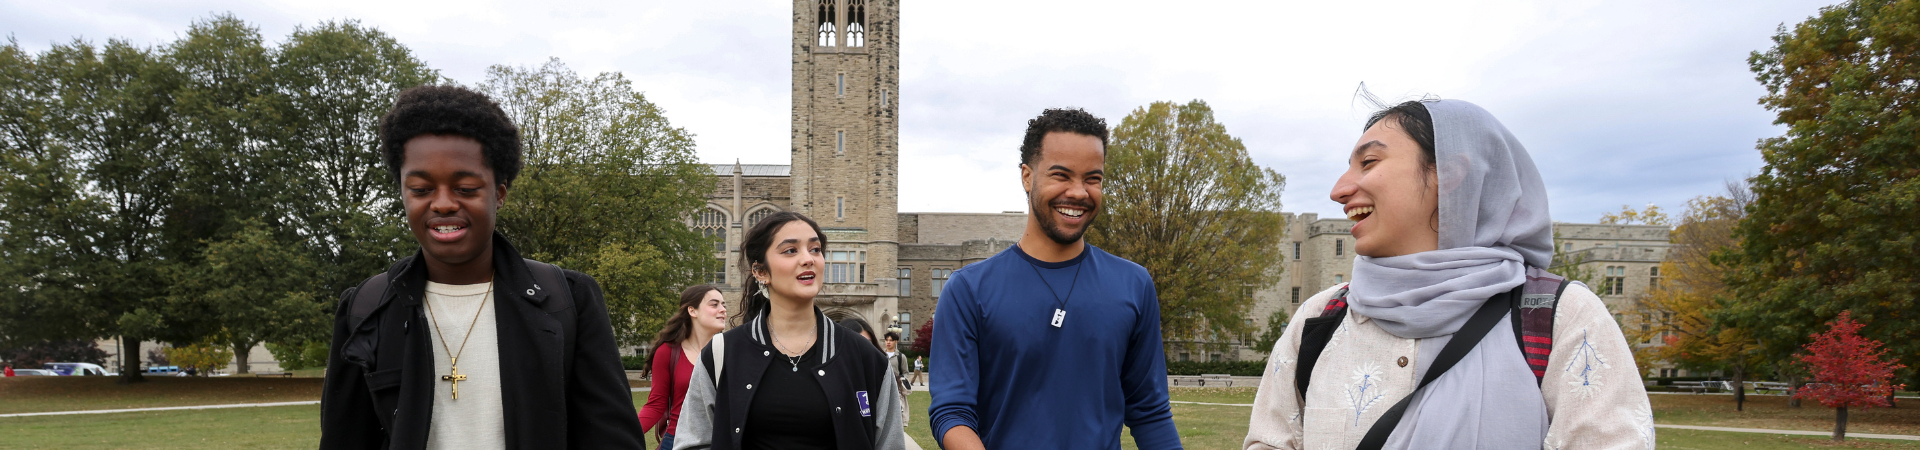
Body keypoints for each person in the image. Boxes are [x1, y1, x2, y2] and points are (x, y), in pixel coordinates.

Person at [1243, 99, 1654, 449]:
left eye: (1368, 162)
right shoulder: (1323, 316)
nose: (1339, 189)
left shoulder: (1555, 316)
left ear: (1451, 173)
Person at [319, 85, 644, 449]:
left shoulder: (568, 300)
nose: (442, 204)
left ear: (499, 193)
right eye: (421, 189)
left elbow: (612, 440)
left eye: (467, 188)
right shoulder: (367, 307)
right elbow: (343, 438)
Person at [928, 108, 1182, 450]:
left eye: (1093, 178)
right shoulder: (968, 289)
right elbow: (952, 413)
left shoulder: (1133, 285)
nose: (1079, 192)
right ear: (1027, 177)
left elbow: (1150, 412)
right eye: (1061, 175)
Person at [672, 211, 906, 450]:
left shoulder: (866, 358)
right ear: (760, 271)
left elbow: (890, 444)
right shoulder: (722, 353)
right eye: (791, 250)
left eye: (815, 249)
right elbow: (692, 442)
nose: (808, 259)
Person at [640, 285, 729, 450]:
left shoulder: (731, 350)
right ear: (692, 311)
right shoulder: (668, 351)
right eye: (714, 304)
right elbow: (655, 404)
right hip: (675, 441)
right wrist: (623, 434)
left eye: (724, 305)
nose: (723, 309)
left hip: (720, 442)